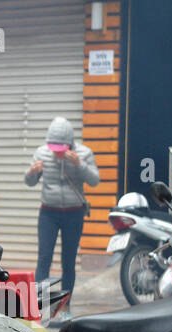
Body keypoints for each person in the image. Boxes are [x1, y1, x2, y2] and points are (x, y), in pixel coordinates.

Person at [25, 116, 100, 297]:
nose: (58, 153)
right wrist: (32, 173)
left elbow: (95, 181)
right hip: (48, 213)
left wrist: (79, 165)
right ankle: (40, 306)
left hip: (74, 214)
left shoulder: (84, 153)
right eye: (55, 149)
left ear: (70, 143)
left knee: (68, 262)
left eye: (61, 149)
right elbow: (29, 182)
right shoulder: (41, 153)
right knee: (44, 259)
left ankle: (65, 306)